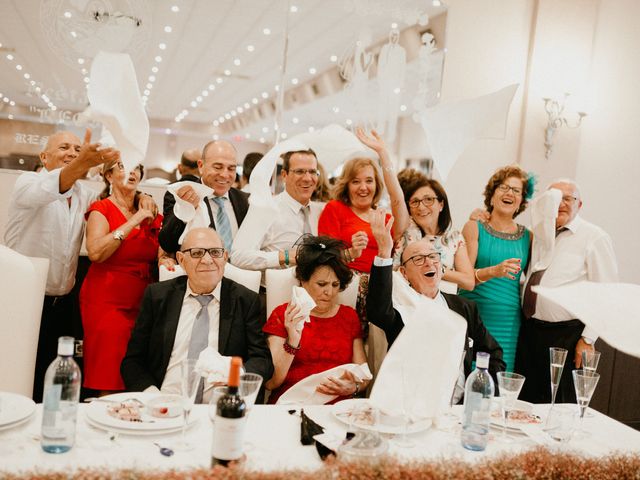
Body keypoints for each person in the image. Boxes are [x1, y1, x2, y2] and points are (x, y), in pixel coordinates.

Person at [3, 129, 145, 402]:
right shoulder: (28, 183)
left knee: (54, 378)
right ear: (44, 157)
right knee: (17, 377)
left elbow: (112, 204)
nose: (72, 154)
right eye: (64, 148)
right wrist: (84, 162)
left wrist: (141, 199)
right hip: (23, 302)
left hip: (64, 302)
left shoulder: (85, 194)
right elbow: (54, 186)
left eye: (78, 150)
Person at [121, 228, 273, 399]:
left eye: (215, 252)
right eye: (197, 253)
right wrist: (153, 398)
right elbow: (133, 362)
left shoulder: (246, 301)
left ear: (225, 257)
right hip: (164, 403)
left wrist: (234, 375)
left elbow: (262, 361)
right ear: (181, 259)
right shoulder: (157, 297)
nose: (207, 260)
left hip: (221, 406)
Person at [366, 211, 505, 395]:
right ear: (404, 273)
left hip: (456, 409)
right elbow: (377, 311)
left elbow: (494, 353)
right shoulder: (399, 309)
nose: (428, 263)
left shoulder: (464, 307)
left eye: (433, 256)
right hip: (410, 409)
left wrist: (479, 390)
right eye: (417, 258)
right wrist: (384, 251)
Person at [516, 179, 618, 404]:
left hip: (567, 335)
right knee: (526, 401)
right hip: (530, 331)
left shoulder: (594, 237)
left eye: (567, 199)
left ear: (579, 204)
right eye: (554, 199)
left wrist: (588, 339)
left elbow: (606, 292)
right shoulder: (540, 234)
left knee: (558, 403)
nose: (560, 204)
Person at [80, 159, 162, 396]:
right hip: (106, 300)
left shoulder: (150, 209)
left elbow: (162, 250)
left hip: (145, 302)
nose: (132, 172)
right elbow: (95, 252)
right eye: (123, 166)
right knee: (110, 373)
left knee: (138, 371)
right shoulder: (101, 209)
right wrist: (134, 221)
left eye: (136, 167)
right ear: (108, 176)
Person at [318, 128, 409, 332]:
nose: (363, 187)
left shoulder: (384, 217)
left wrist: (383, 154)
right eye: (355, 181)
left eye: (369, 181)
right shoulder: (334, 209)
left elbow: (398, 200)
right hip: (346, 289)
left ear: (377, 185)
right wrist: (351, 253)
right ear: (346, 185)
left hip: (382, 291)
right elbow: (323, 256)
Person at [263, 236, 368, 404]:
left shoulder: (349, 316)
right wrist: (293, 341)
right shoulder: (284, 314)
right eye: (321, 284)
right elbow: (271, 382)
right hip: (292, 404)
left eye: (335, 285)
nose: (329, 292)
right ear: (303, 281)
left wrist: (353, 388)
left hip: (337, 408)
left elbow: (364, 374)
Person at [458, 165, 532, 372]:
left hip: (508, 320)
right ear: (491, 196)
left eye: (516, 191)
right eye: (503, 187)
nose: (509, 193)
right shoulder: (473, 227)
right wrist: (493, 271)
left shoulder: (528, 237)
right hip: (475, 314)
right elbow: (464, 277)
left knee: (501, 379)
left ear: (521, 203)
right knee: (468, 378)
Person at [230, 149, 325, 272]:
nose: (307, 178)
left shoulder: (320, 211)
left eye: (312, 172)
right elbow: (238, 256)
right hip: (273, 289)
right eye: (299, 171)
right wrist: (284, 256)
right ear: (284, 175)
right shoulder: (266, 209)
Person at [158, 140, 249, 254]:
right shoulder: (182, 194)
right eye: (218, 167)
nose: (225, 175)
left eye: (231, 169)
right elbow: (167, 244)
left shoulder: (244, 200)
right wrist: (186, 210)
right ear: (201, 166)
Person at [395, 168, 474, 291]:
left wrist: (436, 268)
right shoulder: (405, 234)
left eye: (428, 200)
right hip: (411, 302)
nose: (421, 207)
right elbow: (394, 272)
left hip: (444, 304)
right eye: (415, 201)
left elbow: (469, 282)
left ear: (441, 205)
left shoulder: (454, 237)